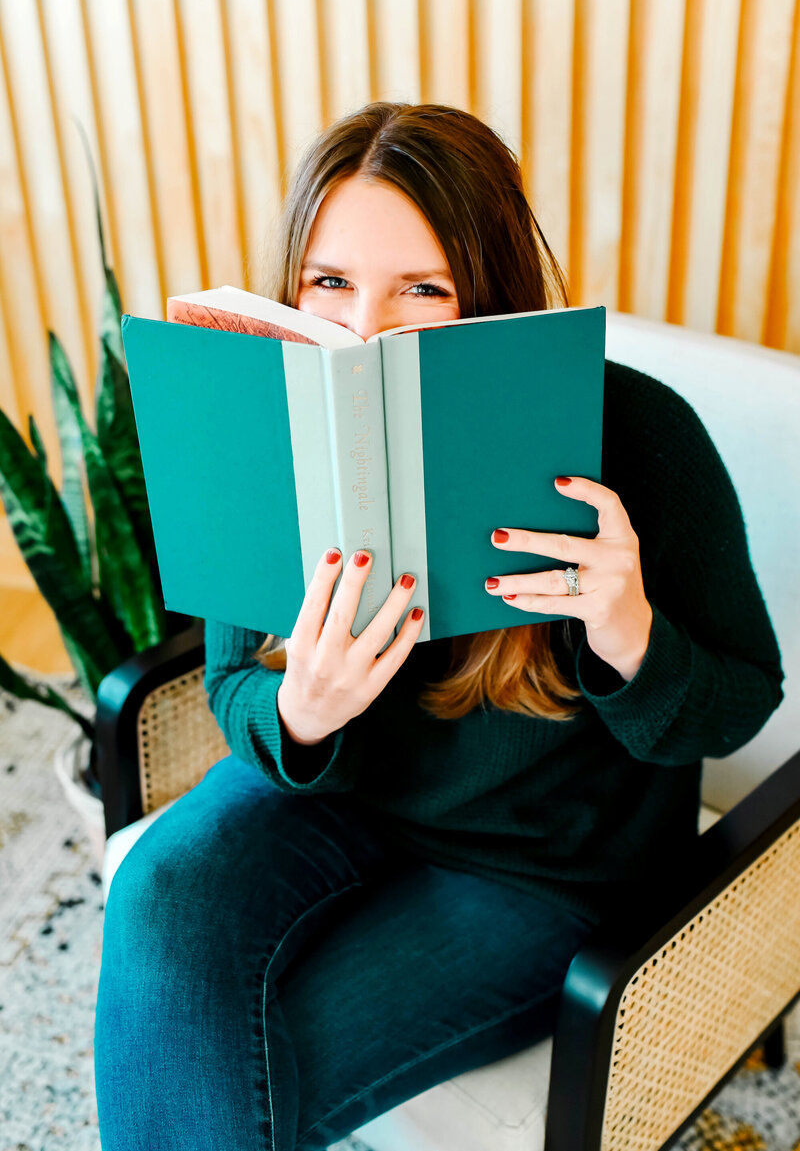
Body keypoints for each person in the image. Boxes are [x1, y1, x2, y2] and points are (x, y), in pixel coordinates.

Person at [93, 101, 784, 1151]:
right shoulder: (273, 423)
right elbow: (236, 690)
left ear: (489, 294)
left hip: (533, 873)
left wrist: (631, 633)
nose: (367, 330)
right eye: (330, 282)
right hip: (335, 799)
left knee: (244, 1073)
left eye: (423, 290)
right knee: (158, 895)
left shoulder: (640, 435)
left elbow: (743, 702)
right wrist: (301, 709)